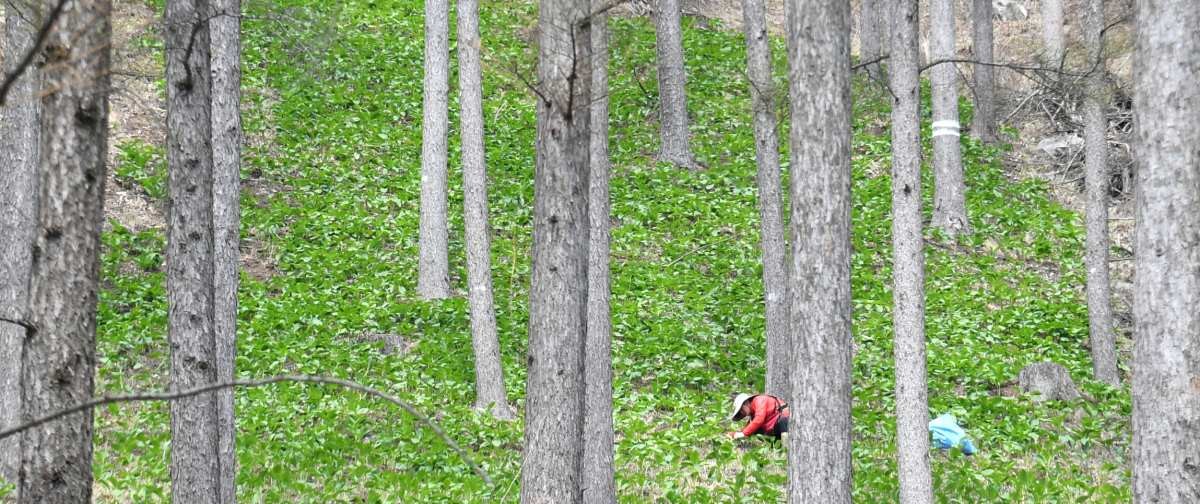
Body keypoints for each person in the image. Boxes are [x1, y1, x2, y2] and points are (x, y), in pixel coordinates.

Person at [725, 392, 789, 440]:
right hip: (775, 428)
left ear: (746, 403)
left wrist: (743, 434)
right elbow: (749, 427)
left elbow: (759, 419)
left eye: (741, 410)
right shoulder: (753, 414)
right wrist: (735, 434)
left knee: (784, 435)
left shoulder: (759, 400)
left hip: (784, 422)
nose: (742, 413)